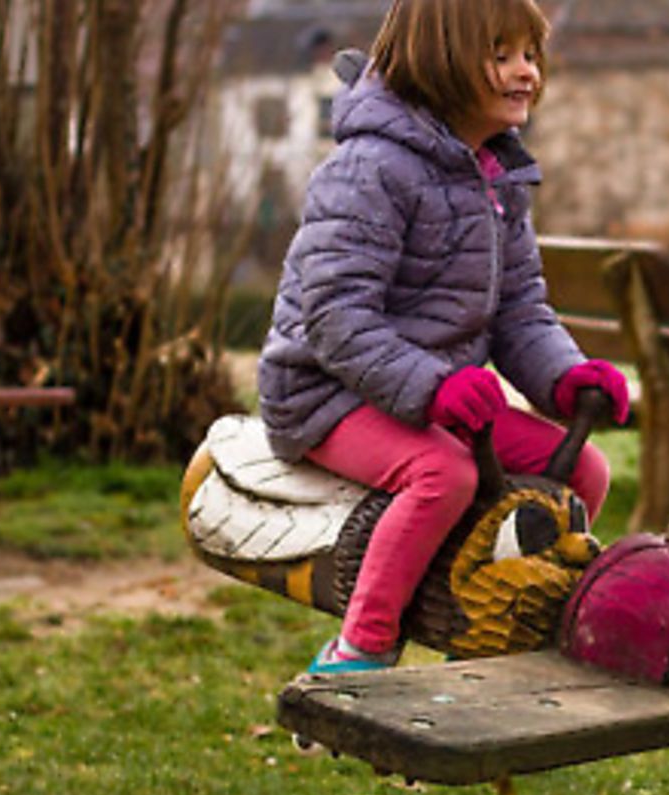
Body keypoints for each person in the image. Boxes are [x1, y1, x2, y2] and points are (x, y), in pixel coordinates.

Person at [257, 0, 629, 674]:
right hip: (325, 391)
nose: (527, 75)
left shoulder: (497, 177)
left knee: (582, 470)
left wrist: (565, 377)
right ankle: (361, 646)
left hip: (435, 394)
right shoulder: (368, 168)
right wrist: (432, 387)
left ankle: (506, 616)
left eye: (530, 56)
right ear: (444, 61)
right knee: (443, 472)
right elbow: (336, 316)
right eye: (503, 56)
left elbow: (521, 310)